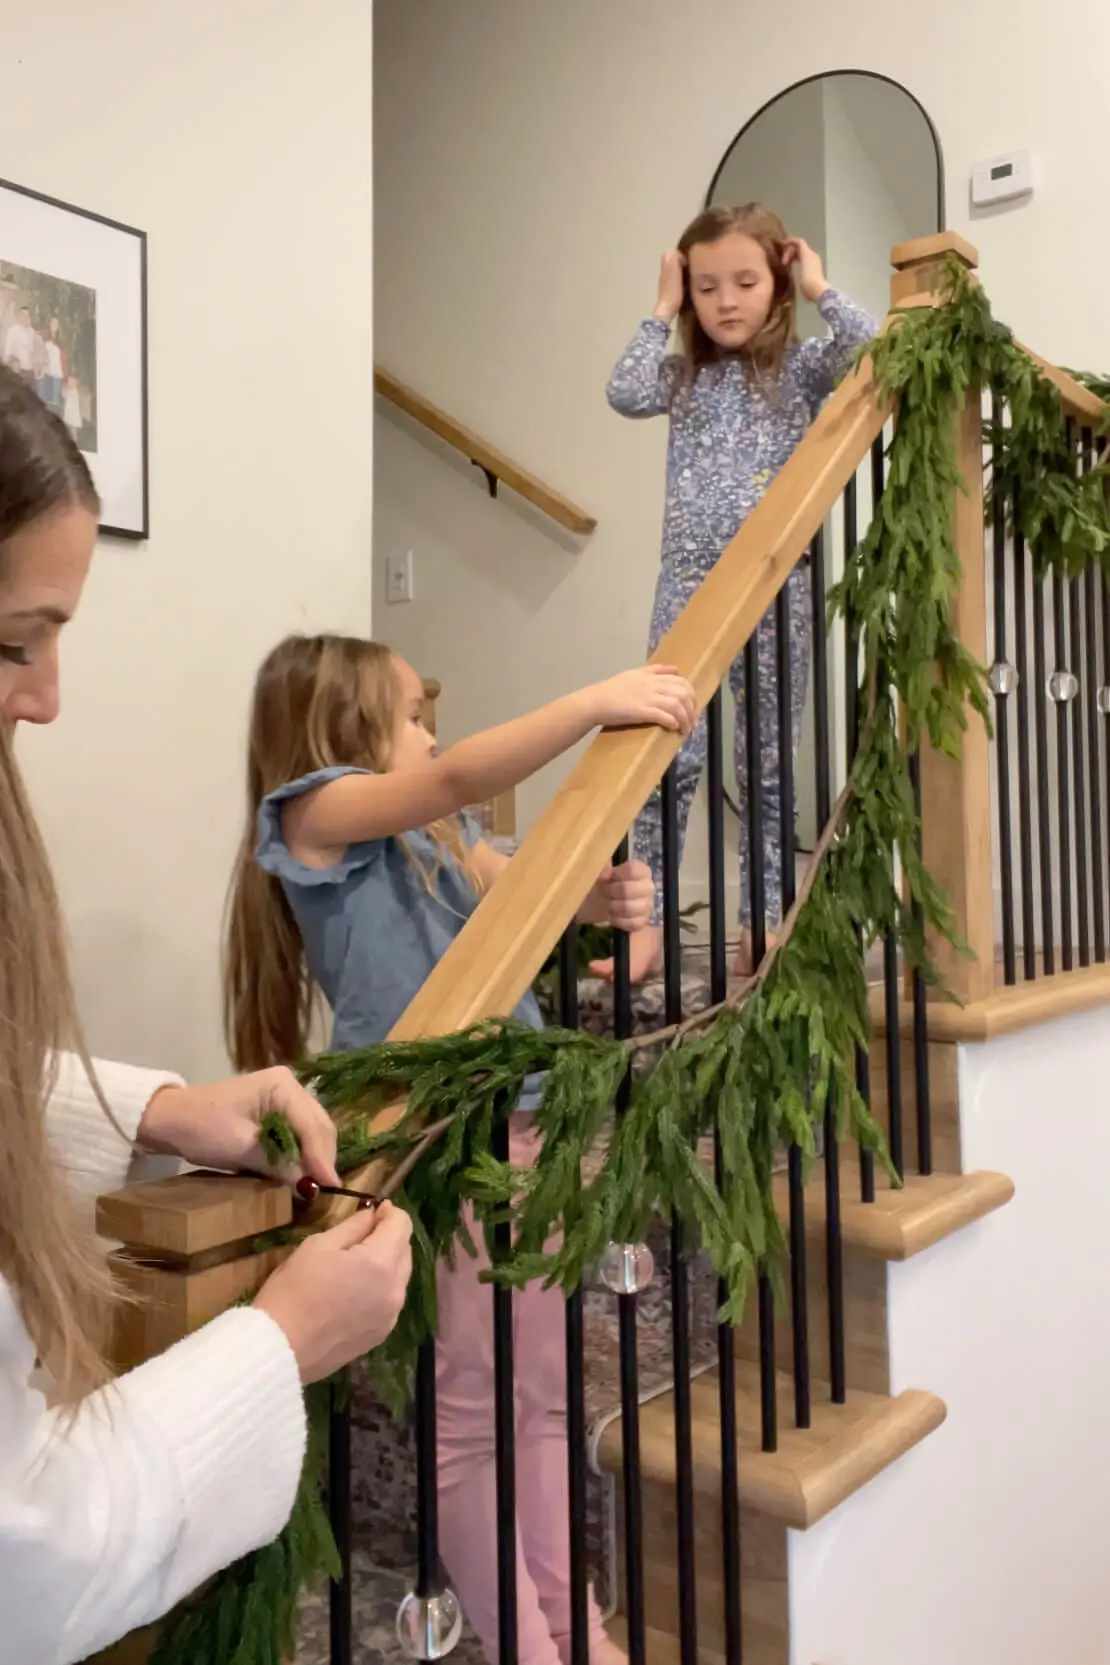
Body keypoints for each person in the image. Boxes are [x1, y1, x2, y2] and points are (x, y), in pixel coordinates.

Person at [0, 362, 415, 1665]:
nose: (51, 695)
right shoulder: (322, 810)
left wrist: (160, 1107)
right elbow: (31, 1557)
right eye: (18, 639)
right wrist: (277, 1343)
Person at [222, 633, 697, 1665]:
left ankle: (577, 1629)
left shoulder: (437, 838)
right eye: (409, 713)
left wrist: (602, 905)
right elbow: (447, 772)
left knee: (541, 1401)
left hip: (519, 1122)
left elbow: (522, 891)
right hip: (431, 1143)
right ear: (342, 726)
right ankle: (527, 1644)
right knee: (469, 1417)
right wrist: (591, 702)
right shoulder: (312, 815)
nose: (429, 735)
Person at [599, 202, 876, 981]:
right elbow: (622, 391)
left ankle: (764, 919)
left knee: (766, 762)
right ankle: (645, 927)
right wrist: (659, 306)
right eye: (707, 286)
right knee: (665, 754)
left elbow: (878, 353)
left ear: (775, 284)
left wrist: (820, 285)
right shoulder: (682, 377)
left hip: (776, 583)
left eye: (746, 282)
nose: (726, 301)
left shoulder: (803, 366)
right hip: (686, 584)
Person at [3, 304, 37, 384]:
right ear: (19, 316)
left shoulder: (32, 332)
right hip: (18, 372)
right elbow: (8, 352)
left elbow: (35, 352)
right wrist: (14, 362)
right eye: (23, 314)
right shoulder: (12, 331)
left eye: (27, 315)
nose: (25, 317)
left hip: (30, 372)